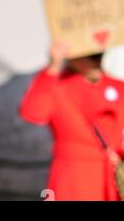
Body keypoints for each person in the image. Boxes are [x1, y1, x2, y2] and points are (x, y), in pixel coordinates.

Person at [20, 42, 124, 201]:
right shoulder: (57, 87)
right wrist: (53, 67)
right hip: (73, 180)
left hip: (111, 179)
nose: (96, 62)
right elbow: (33, 112)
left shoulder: (117, 86)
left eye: (99, 56)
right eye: (90, 57)